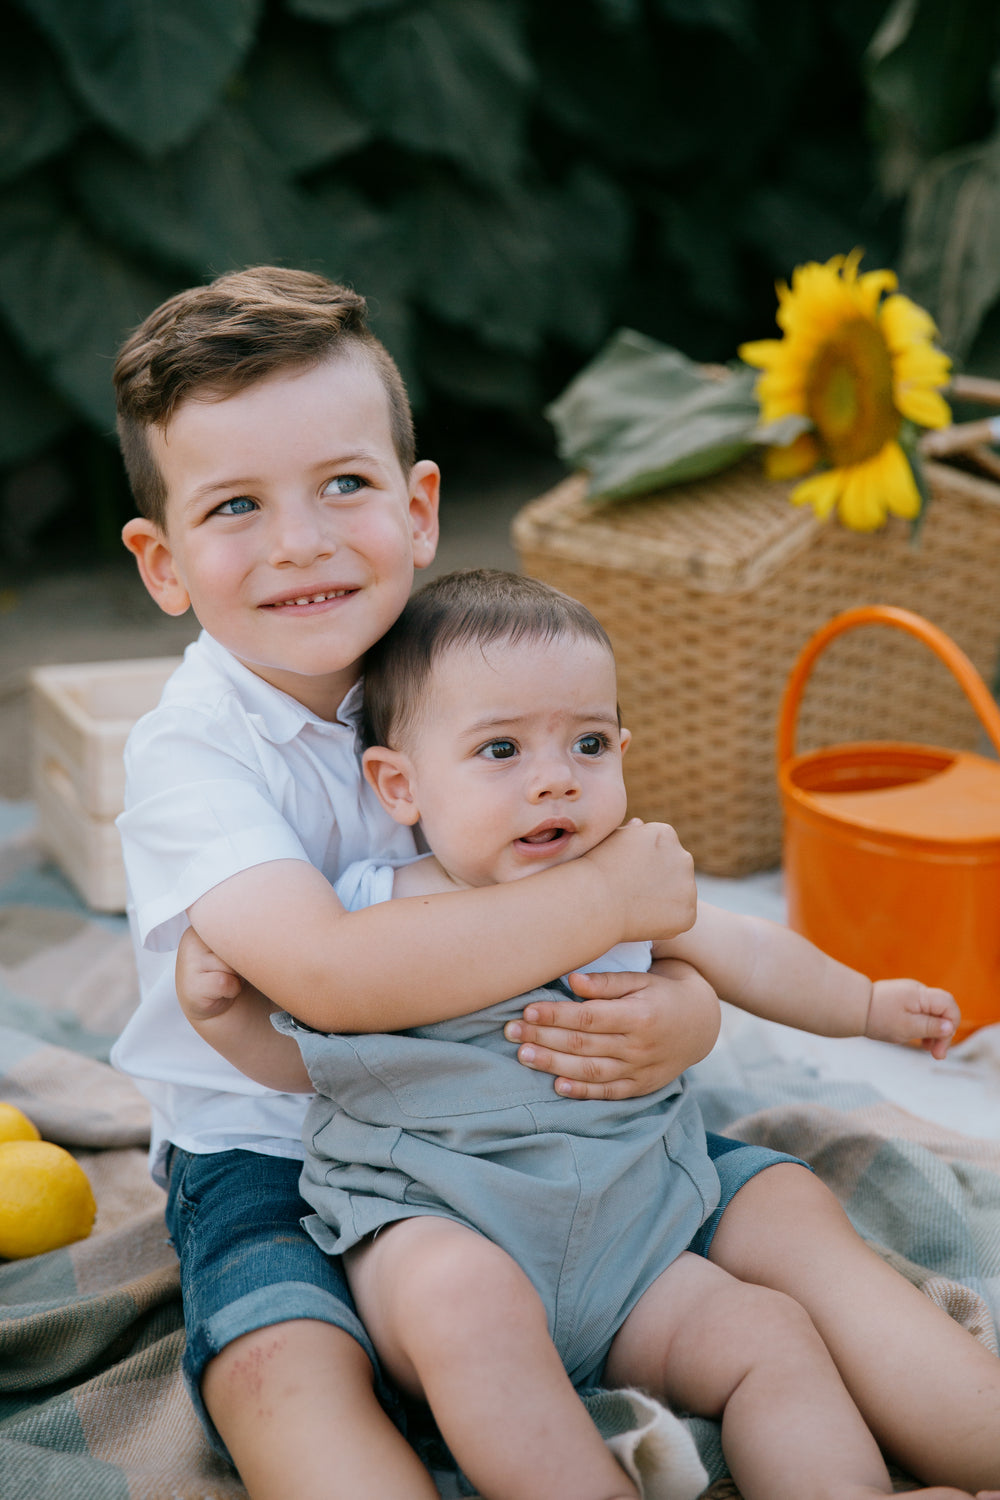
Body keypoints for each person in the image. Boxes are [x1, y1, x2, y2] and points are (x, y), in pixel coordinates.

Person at [181, 569, 1000, 1500]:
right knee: (463, 1302)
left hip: (634, 1246)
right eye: (500, 750)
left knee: (768, 1334)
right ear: (400, 784)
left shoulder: (625, 885)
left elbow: (756, 955)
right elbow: (314, 1066)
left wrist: (867, 1004)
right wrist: (228, 1016)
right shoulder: (372, 911)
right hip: (440, 1224)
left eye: (588, 742)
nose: (555, 777)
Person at [111, 266, 720, 1500]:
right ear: (164, 564)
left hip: (504, 1096)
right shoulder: (191, 752)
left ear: (419, 505)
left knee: (766, 1244)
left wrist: (685, 1013)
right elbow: (332, 981)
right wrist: (608, 906)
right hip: (267, 1145)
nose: (303, 542)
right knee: (278, 1365)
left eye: (345, 484)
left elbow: (630, 883)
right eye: (235, 506)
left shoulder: (473, 666)